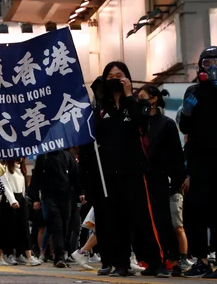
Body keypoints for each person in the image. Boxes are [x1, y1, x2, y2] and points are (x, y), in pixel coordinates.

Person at [79, 62, 168, 278]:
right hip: (108, 175)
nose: (115, 79)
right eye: (110, 76)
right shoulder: (100, 111)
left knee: (142, 220)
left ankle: (155, 262)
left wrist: (129, 95)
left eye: (120, 75)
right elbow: (91, 140)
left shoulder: (137, 104)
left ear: (127, 78)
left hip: (134, 173)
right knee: (113, 221)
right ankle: (120, 263)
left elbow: (142, 120)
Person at [179, 46, 217, 279]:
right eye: (207, 64)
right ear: (200, 67)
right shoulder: (193, 91)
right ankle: (201, 260)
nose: (212, 68)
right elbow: (185, 128)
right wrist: (187, 113)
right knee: (195, 212)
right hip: (200, 162)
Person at [134, 85, 185, 278]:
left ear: (154, 99)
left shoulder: (166, 124)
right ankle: (152, 261)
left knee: (162, 221)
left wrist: (177, 181)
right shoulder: (138, 124)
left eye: (143, 97)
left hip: (159, 179)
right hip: (141, 180)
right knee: (144, 222)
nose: (139, 101)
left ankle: (170, 261)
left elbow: (176, 155)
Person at [28, 149, 83, 268]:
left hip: (66, 197)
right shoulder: (43, 156)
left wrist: (80, 192)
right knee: (56, 225)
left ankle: (61, 253)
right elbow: (36, 176)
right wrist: (35, 198)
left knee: (65, 226)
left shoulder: (67, 156)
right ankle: (59, 256)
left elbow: (75, 175)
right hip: (49, 197)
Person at [0, 159, 41, 267]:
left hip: (20, 199)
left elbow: (22, 188)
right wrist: (12, 200)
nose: (20, 159)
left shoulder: (20, 169)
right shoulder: (5, 168)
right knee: (6, 229)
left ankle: (28, 256)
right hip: (9, 201)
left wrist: (22, 200)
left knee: (23, 228)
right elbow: (5, 186)